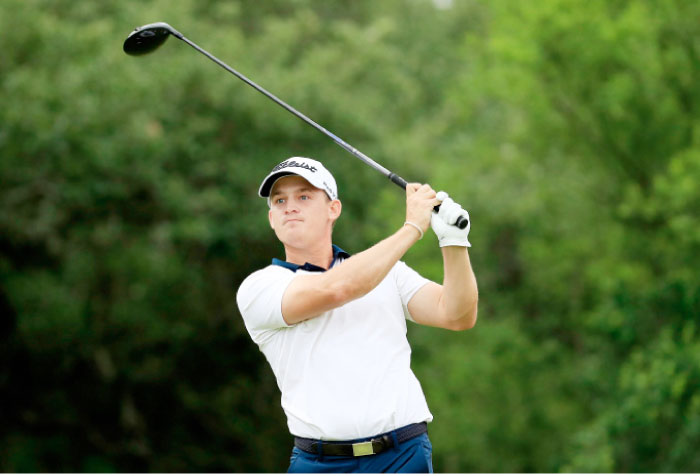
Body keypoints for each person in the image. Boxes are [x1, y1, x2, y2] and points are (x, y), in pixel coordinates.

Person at [236, 157, 478, 473]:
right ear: (271, 218)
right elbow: (338, 289)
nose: (289, 207)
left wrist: (454, 241)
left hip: (403, 456)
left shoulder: (387, 273)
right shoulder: (259, 288)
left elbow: (456, 314)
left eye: (304, 196)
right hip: (320, 464)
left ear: (333, 209)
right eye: (280, 200)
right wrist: (413, 228)